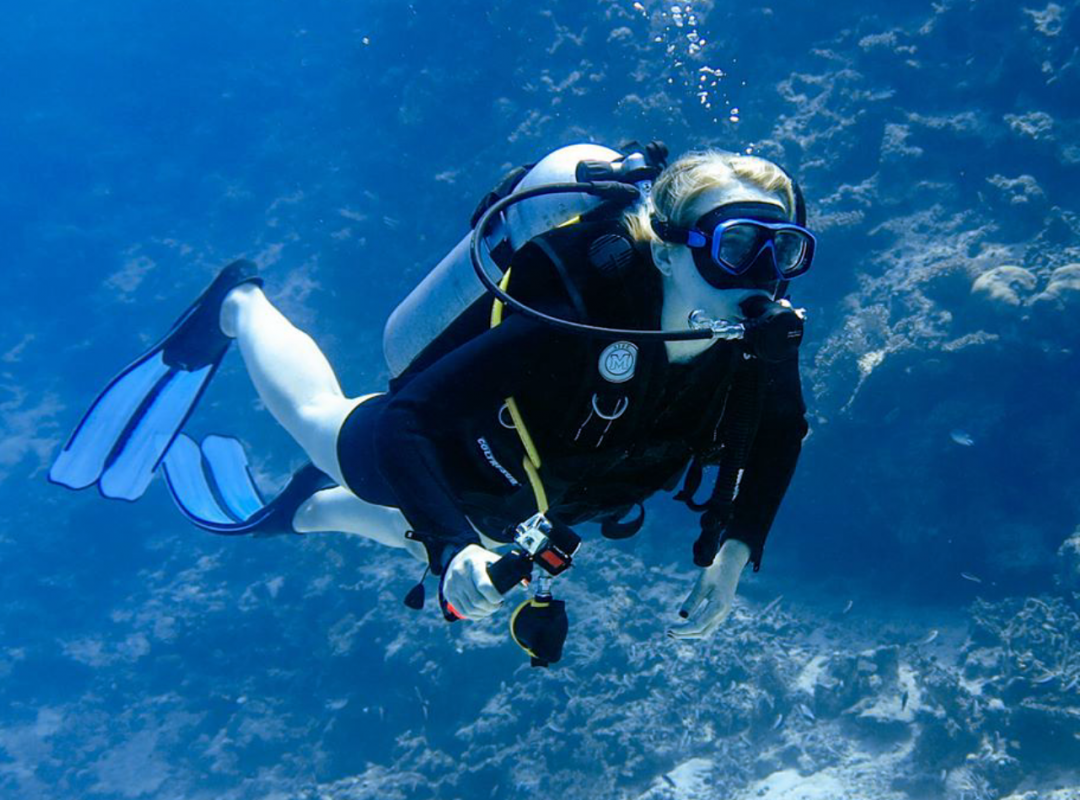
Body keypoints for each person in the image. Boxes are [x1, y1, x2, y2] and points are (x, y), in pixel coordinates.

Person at [49, 144, 812, 652]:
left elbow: (782, 429)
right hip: (441, 445)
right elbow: (413, 416)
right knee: (328, 430)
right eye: (739, 246)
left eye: (781, 253)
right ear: (671, 246)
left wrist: (734, 548)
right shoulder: (575, 322)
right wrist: (452, 550)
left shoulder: (755, 337)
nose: (760, 277)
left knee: (444, 541)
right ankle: (240, 303)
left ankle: (303, 511)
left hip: (530, 493)